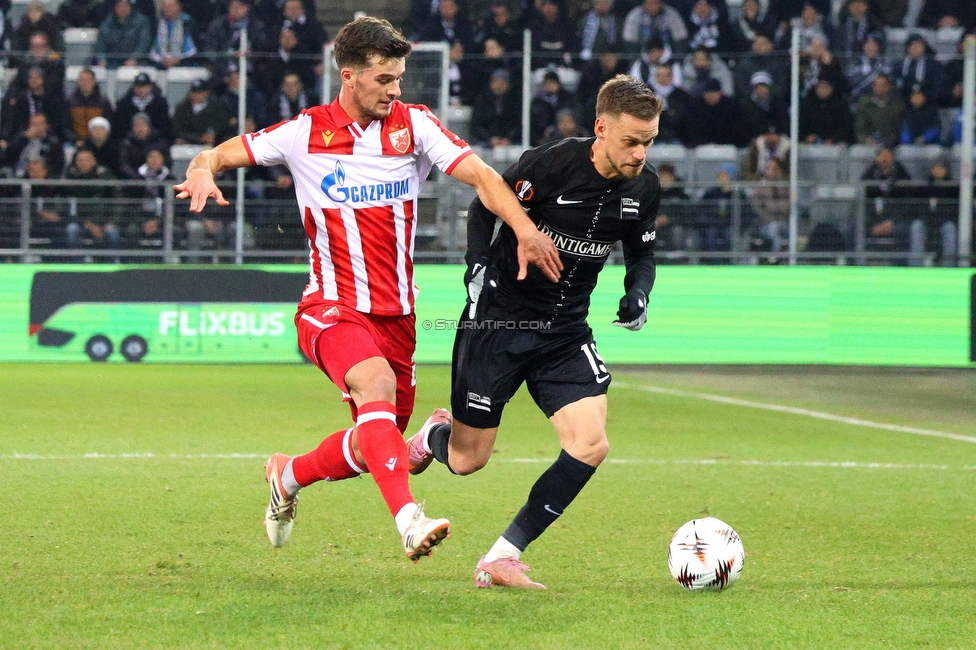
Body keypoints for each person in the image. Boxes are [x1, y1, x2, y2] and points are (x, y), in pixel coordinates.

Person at [172, 17, 561, 563]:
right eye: (384, 79)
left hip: (398, 316)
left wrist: (524, 229)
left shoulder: (415, 125)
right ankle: (409, 520)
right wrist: (202, 169)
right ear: (349, 76)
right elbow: (214, 154)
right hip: (330, 306)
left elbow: (482, 178)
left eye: (399, 78)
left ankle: (288, 474)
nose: (395, 90)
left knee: (377, 444)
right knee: (374, 388)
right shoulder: (304, 132)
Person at [405, 75, 660, 589]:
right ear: (601, 128)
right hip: (500, 321)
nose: (639, 154)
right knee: (466, 460)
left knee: (590, 443)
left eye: (649, 141)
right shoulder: (552, 164)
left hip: (564, 332)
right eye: (631, 141)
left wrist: (638, 292)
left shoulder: (644, 188)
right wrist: (476, 266)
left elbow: (642, 253)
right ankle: (436, 434)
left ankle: (500, 557)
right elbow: (484, 203)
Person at [95, 0, 153, 69]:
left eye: (125, 6)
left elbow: (144, 43)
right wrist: (102, 60)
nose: (122, 9)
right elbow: (101, 44)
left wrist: (134, 59)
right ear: (115, 8)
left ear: (130, 7)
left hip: (137, 62)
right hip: (112, 63)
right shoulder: (107, 23)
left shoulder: (142, 22)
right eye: (119, 6)